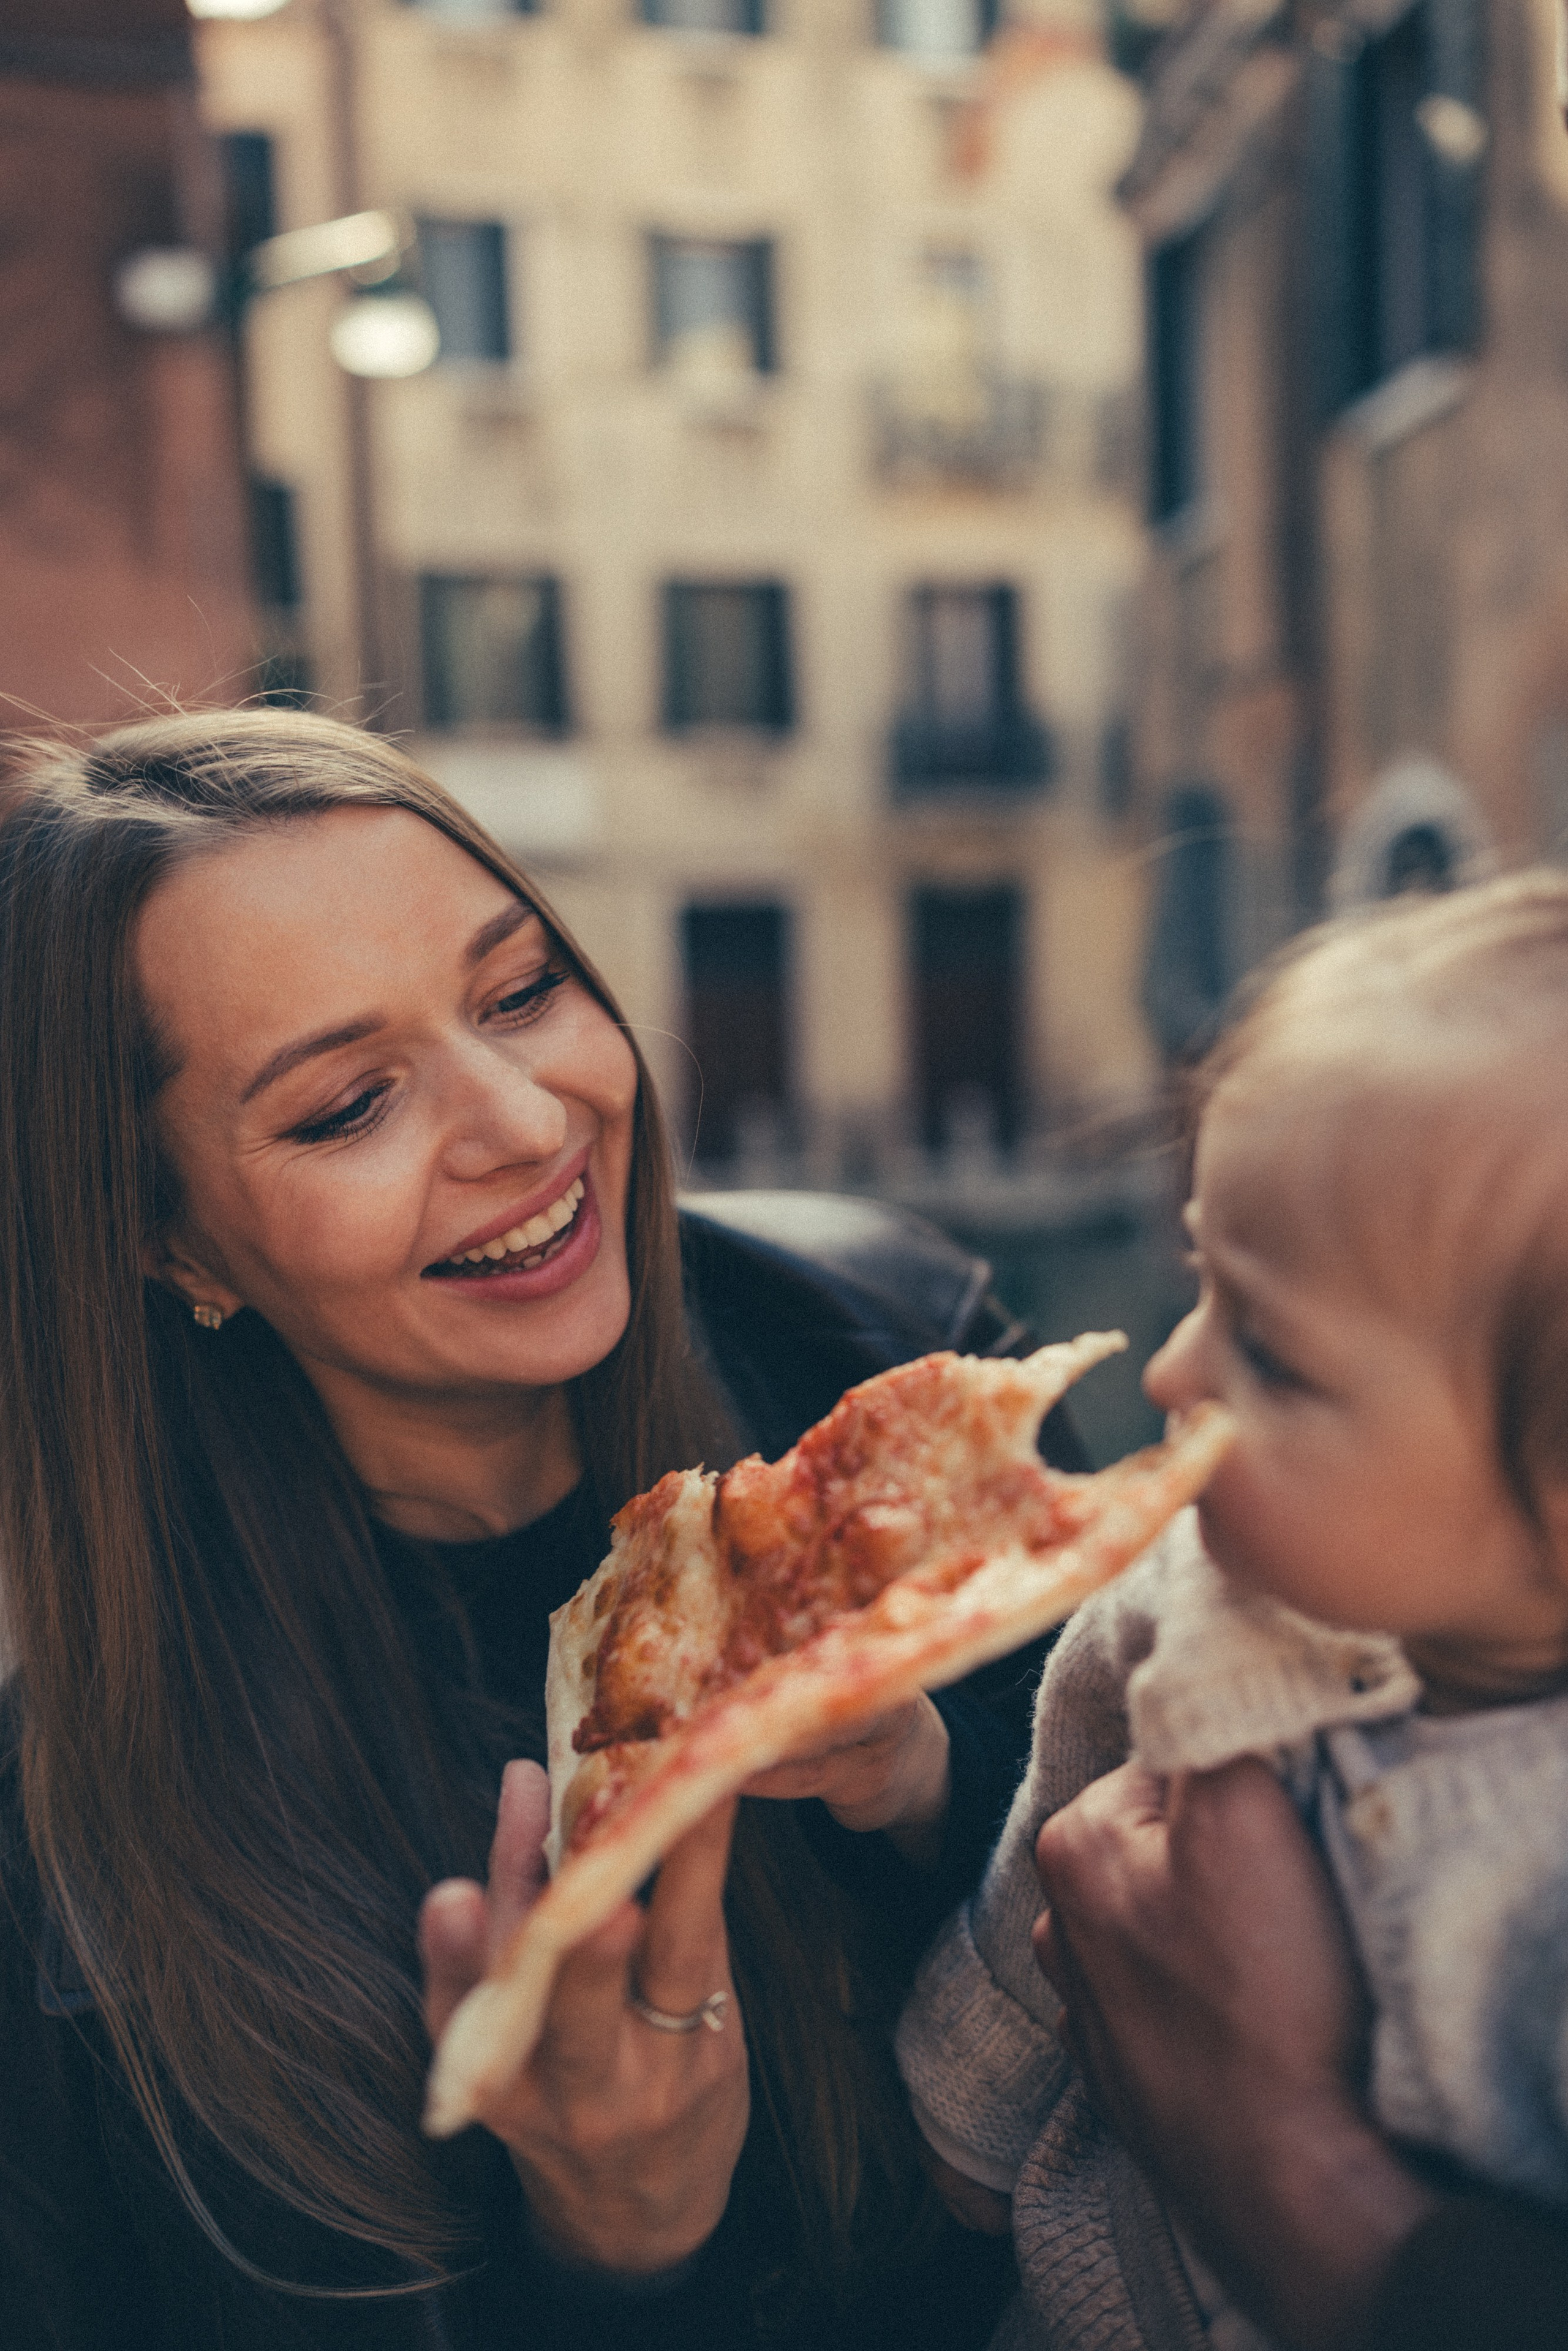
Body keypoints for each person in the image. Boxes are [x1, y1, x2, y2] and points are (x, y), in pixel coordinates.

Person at [0, 709, 1084, 2351]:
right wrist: (615, 2255)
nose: (524, 1117)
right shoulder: (67, 1890)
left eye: (521, 990)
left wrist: (935, 1784)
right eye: (348, 1102)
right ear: (167, 1239)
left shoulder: (903, 1355)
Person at [896, 872, 1568, 2348]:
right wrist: (953, 2146)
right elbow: (1034, 1903)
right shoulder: (1176, 1609)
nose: (1169, 1371)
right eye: (1196, 1277)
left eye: (1268, 1354)